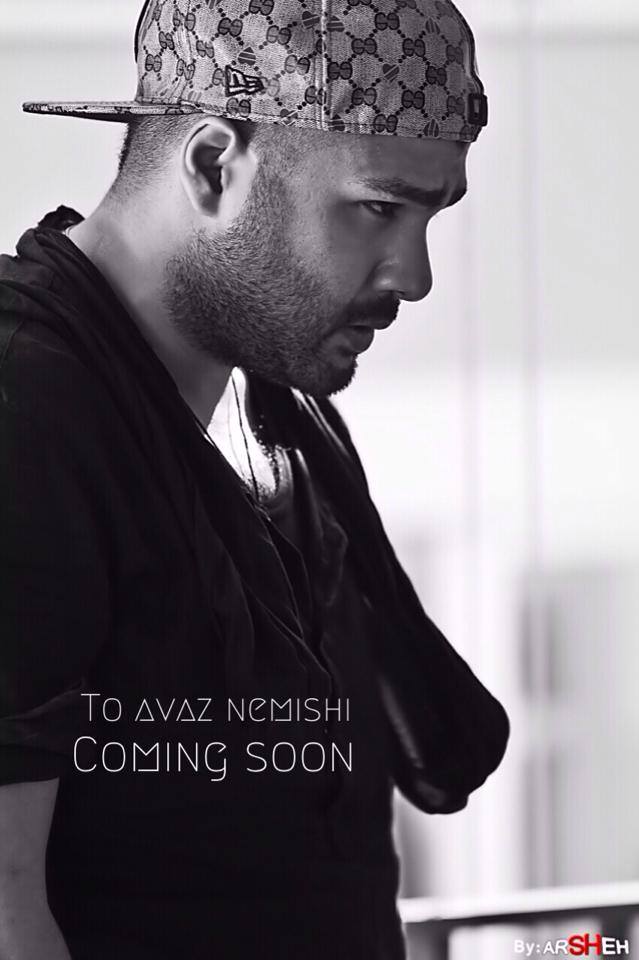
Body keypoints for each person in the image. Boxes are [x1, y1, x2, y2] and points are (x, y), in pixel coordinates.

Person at [0, 0, 509, 957]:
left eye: (429, 216)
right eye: (378, 208)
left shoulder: (277, 411)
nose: (414, 276)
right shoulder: (25, 407)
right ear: (211, 165)